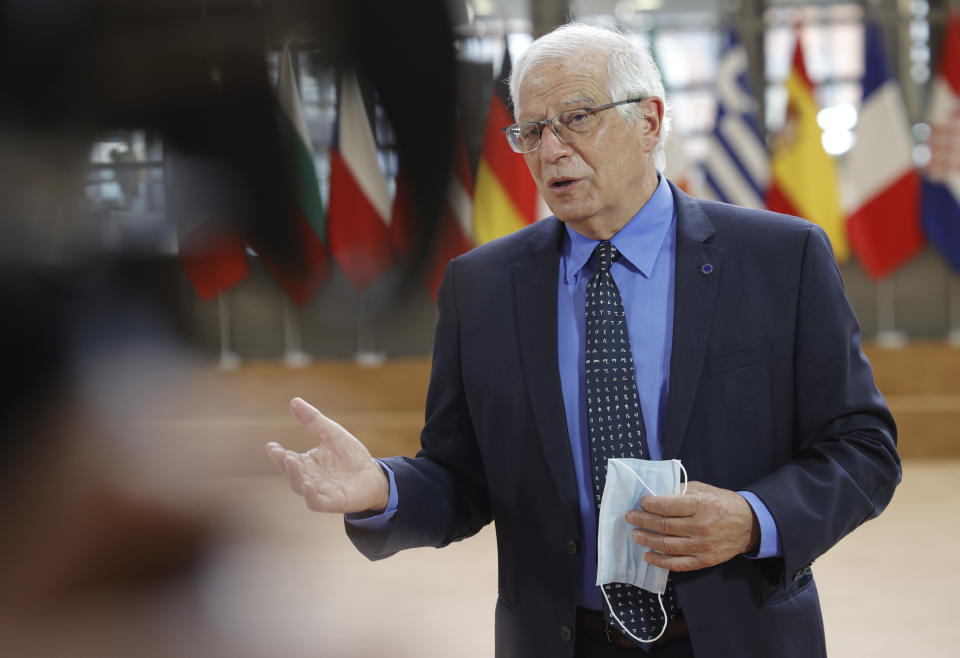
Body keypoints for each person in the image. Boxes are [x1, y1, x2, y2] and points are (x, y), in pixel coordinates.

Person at [266, 22, 900, 658]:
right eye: (532, 131)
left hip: (742, 637)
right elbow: (461, 476)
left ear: (649, 121)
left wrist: (753, 519)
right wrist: (383, 488)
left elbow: (863, 449)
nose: (551, 150)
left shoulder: (781, 259)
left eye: (577, 118)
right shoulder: (479, 287)